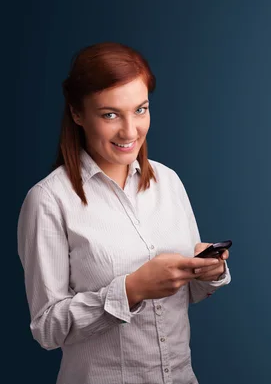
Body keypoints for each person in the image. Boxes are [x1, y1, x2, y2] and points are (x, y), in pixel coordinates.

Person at [17, 42, 231, 384]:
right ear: (77, 113)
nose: (130, 131)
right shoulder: (48, 200)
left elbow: (188, 295)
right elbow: (47, 328)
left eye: (141, 109)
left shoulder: (168, 182)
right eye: (110, 114)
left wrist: (206, 271)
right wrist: (131, 290)